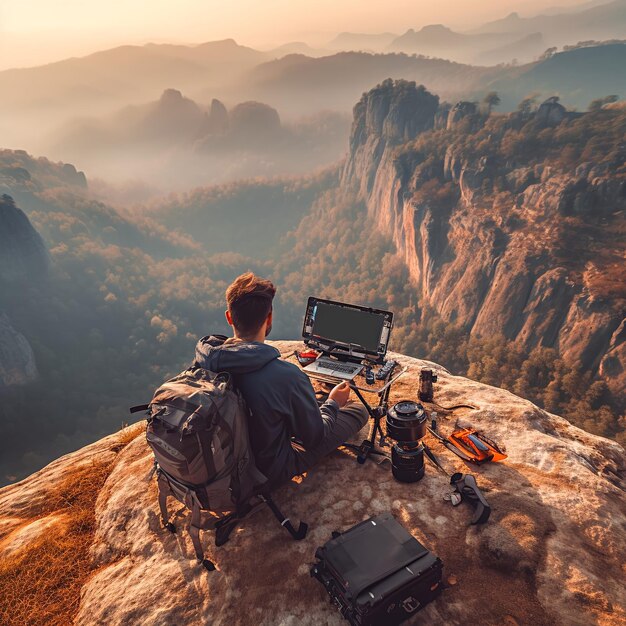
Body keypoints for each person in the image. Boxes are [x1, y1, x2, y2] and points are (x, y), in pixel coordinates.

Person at [194, 272, 369, 488]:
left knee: (305, 404)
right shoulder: (286, 376)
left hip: (220, 464)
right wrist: (333, 403)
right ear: (269, 319)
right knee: (357, 411)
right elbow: (314, 438)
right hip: (266, 471)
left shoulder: (206, 359)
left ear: (229, 317)